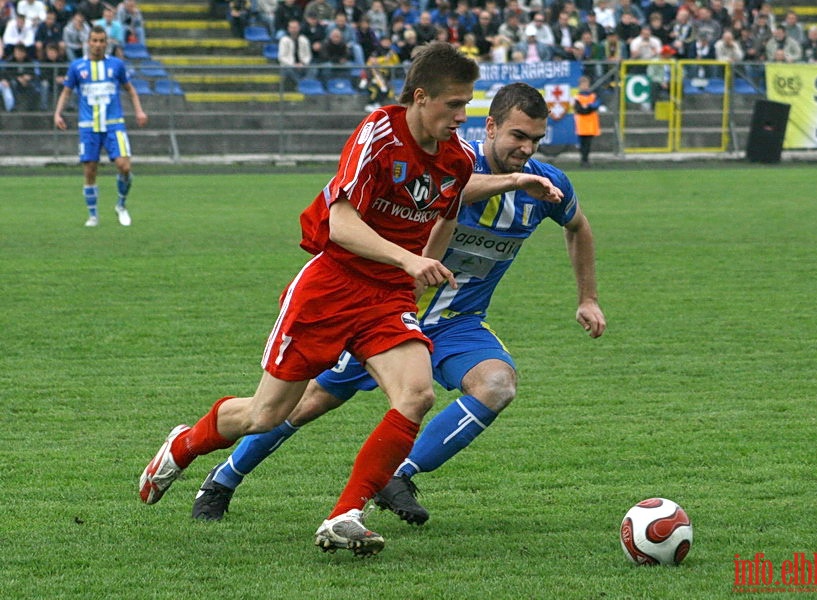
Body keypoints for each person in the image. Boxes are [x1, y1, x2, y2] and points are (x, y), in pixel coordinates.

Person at [190, 82, 606, 527]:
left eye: (536, 140)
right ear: (490, 127)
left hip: (455, 321)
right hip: (384, 308)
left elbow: (579, 227)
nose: (526, 149)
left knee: (497, 385)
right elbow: (451, 191)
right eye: (518, 136)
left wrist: (588, 298)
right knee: (308, 402)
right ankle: (223, 479)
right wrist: (511, 181)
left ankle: (398, 474)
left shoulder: (545, 186)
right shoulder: (453, 160)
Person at [138, 42, 483, 558]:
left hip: (386, 294)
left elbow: (447, 215)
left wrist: (417, 272)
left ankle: (345, 515)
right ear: (420, 97)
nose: (462, 116)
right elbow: (340, 225)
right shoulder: (379, 135)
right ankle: (184, 445)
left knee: (416, 395)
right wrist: (410, 260)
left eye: (467, 105)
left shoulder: (458, 158)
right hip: (331, 284)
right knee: (265, 415)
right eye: (454, 105)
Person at [53, 26, 148, 227]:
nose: (97, 45)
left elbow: (130, 90)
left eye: (101, 41)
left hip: (114, 125)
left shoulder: (117, 65)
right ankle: (93, 216)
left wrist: (139, 111)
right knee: (90, 170)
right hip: (89, 126)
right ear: (88, 42)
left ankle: (121, 205)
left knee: (124, 166)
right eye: (94, 40)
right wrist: (57, 113)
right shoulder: (77, 67)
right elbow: (66, 92)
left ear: (106, 43)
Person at [1, 42, 40, 111]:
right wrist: (18, 78)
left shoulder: (29, 61)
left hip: (27, 82)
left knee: (35, 87)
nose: (18, 54)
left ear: (24, 53)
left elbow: (33, 73)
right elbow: (7, 74)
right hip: (15, 82)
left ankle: (32, 108)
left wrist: (28, 77)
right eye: (16, 52)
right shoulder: (10, 61)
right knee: (13, 83)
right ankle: (15, 106)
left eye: (20, 52)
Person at [573, 75, 601, 167]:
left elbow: (596, 105)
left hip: (591, 123)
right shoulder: (577, 97)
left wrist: (587, 107)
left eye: (586, 84)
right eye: (582, 84)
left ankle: (586, 159)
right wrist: (589, 107)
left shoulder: (593, 95)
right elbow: (579, 109)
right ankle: (583, 159)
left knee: (588, 143)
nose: (584, 86)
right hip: (582, 123)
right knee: (582, 143)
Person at [277, 18, 310, 89]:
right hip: (289, 65)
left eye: (295, 28)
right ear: (288, 29)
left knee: (313, 68)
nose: (294, 30)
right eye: (292, 28)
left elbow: (308, 55)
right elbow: (281, 57)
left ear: (299, 28)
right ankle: (301, 84)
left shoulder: (304, 39)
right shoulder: (284, 40)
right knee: (288, 69)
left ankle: (306, 84)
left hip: (302, 65)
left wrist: (303, 63)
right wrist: (293, 64)